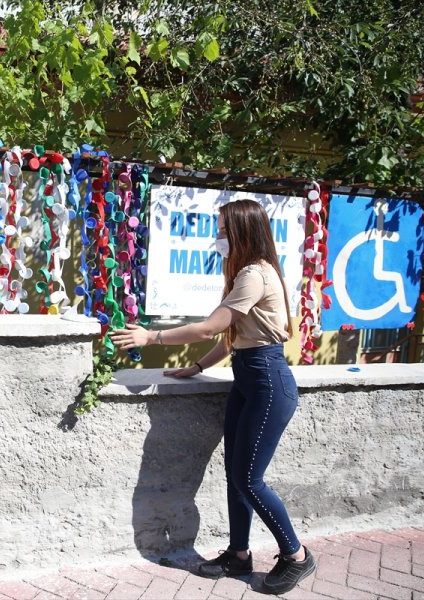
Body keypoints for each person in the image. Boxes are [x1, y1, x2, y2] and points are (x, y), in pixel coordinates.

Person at [109, 199, 316, 595]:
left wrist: (151, 337)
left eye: (222, 229)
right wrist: (198, 368)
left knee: (250, 480)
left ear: (241, 230)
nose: (217, 236)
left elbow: (210, 328)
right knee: (235, 477)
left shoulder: (255, 275)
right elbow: (231, 337)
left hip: (268, 383)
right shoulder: (245, 272)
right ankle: (239, 555)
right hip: (249, 379)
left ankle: (297, 555)